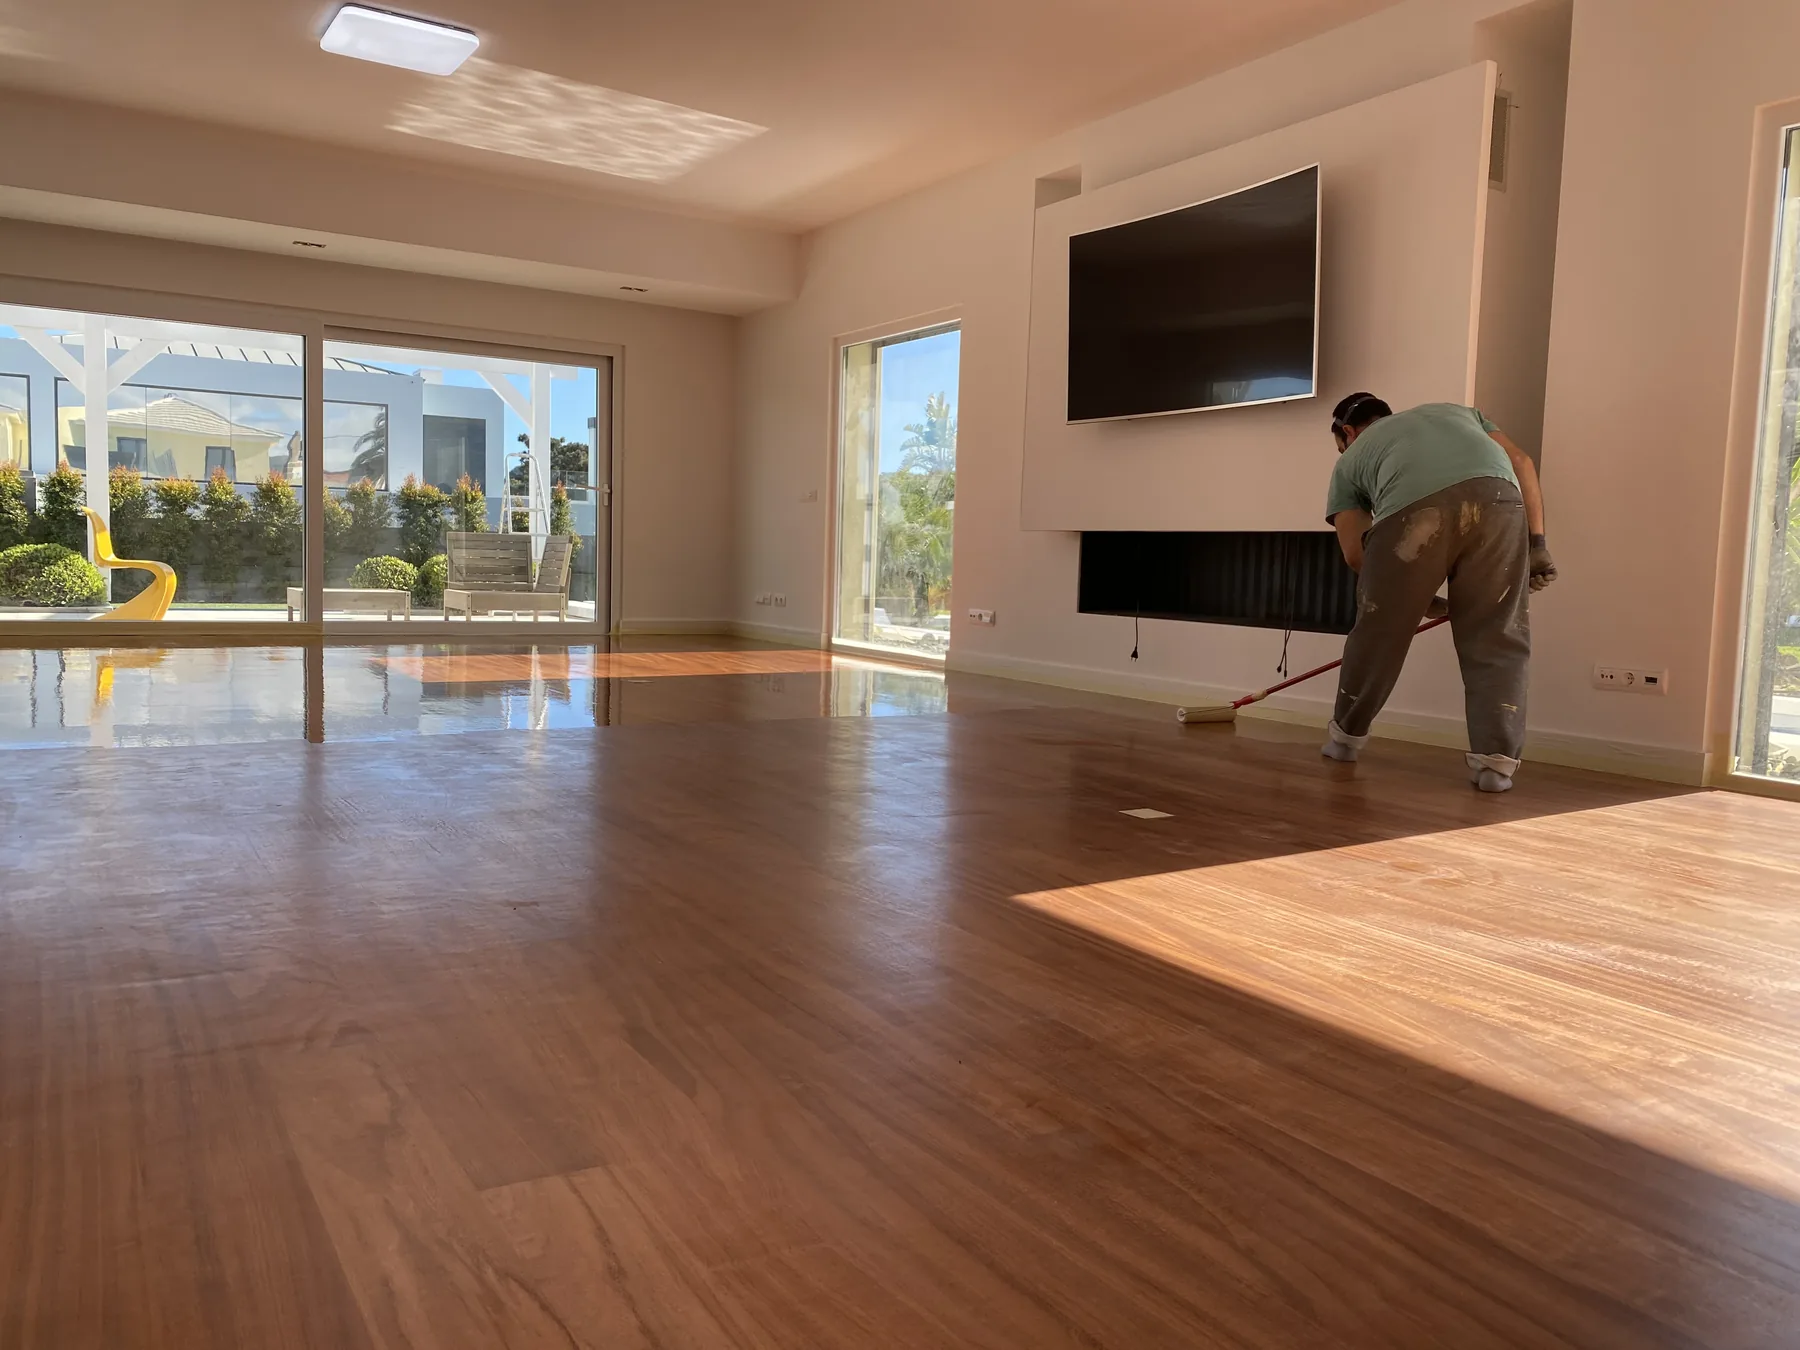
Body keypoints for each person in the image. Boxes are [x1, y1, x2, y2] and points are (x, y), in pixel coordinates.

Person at [1321, 393, 1556, 793]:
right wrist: (1536, 544)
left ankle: (1344, 740)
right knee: (1497, 634)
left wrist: (1413, 601)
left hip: (1413, 514)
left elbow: (1356, 552)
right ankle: (1495, 765)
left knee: (1379, 635)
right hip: (1501, 502)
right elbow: (1522, 463)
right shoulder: (1459, 413)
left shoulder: (1349, 461)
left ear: (1347, 433)